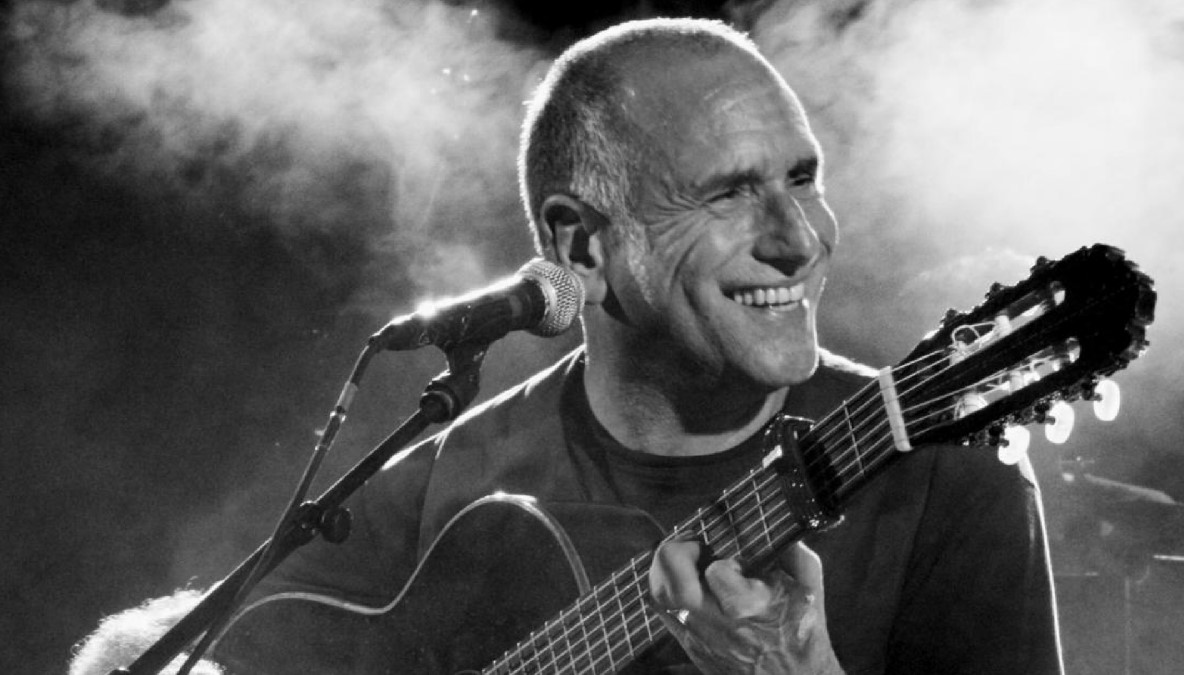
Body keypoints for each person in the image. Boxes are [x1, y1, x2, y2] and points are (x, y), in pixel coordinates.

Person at [71, 17, 1062, 675]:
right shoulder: (453, 475)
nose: (799, 239)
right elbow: (167, 651)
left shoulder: (948, 480)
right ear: (581, 245)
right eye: (727, 194)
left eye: (803, 178)